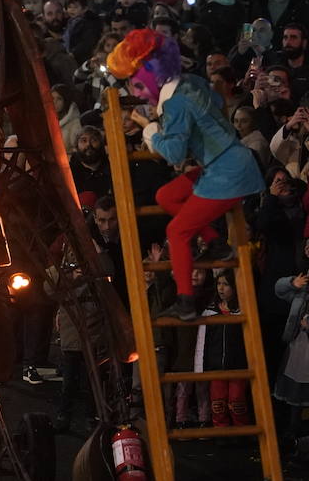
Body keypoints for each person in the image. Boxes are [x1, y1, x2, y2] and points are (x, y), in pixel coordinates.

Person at [108, 29, 262, 321]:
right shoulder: (189, 82)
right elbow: (216, 103)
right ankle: (216, 242)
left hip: (226, 171)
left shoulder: (174, 103)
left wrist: (150, 129)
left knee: (176, 232)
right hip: (221, 162)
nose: (139, 94)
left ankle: (185, 302)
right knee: (167, 195)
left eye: (139, 87)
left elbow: (175, 154)